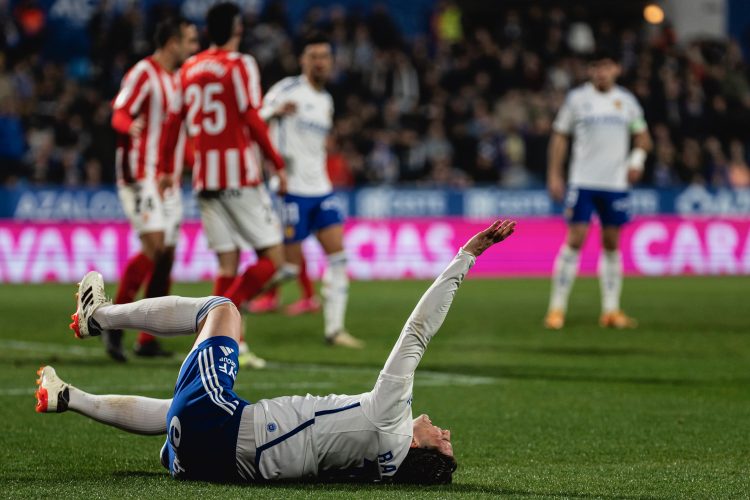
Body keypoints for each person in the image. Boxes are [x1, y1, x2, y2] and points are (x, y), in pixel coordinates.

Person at [38, 219, 516, 484]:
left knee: (221, 310)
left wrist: (465, 256)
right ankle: (69, 398)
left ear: (416, 445)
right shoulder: (379, 472)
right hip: (216, 465)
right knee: (174, 415)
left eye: (443, 441)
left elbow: (417, 331)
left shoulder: (390, 417)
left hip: (225, 428)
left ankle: (98, 316)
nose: (445, 430)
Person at [160, 3, 294, 367]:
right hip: (239, 177)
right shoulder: (240, 64)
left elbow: (174, 121)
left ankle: (228, 345)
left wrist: (163, 167)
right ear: (237, 28)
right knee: (274, 261)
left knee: (227, 264)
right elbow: (251, 116)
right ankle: (217, 325)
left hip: (204, 179)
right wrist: (277, 164)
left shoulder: (188, 67)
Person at [250, 34, 362, 348]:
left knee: (338, 260)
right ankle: (236, 300)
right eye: (314, 56)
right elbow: (254, 119)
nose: (320, 62)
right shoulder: (287, 90)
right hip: (291, 190)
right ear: (303, 60)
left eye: (325, 56)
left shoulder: (326, 100)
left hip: (321, 190)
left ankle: (335, 330)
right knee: (286, 269)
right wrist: (273, 114)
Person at [109, 17, 199, 360]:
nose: (194, 49)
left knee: (167, 258)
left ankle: (147, 339)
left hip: (168, 179)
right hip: (139, 174)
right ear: (172, 42)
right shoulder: (143, 73)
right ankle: (111, 323)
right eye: (190, 42)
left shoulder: (180, 79)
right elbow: (118, 112)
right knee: (155, 245)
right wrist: (129, 126)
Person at [544, 48, 652, 330]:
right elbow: (560, 137)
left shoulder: (626, 101)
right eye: (595, 66)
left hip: (615, 184)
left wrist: (637, 161)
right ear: (590, 70)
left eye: (606, 66)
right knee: (576, 238)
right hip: (583, 181)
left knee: (612, 243)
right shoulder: (577, 99)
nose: (600, 71)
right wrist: (555, 174)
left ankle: (611, 311)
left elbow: (643, 138)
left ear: (616, 69)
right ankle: (556, 309)